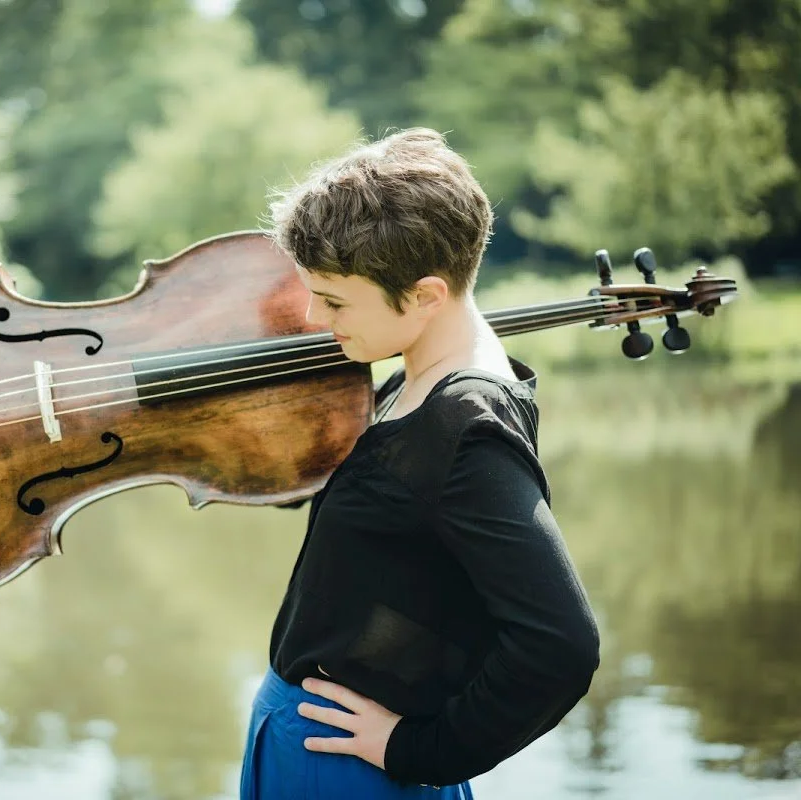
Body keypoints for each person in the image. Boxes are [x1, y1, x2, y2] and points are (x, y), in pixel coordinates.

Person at [240, 128, 601, 799]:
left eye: (337, 300)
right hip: (319, 750)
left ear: (428, 295)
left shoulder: (463, 427)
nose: (317, 316)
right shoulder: (415, 381)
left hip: (349, 770)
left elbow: (560, 647)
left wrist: (421, 751)